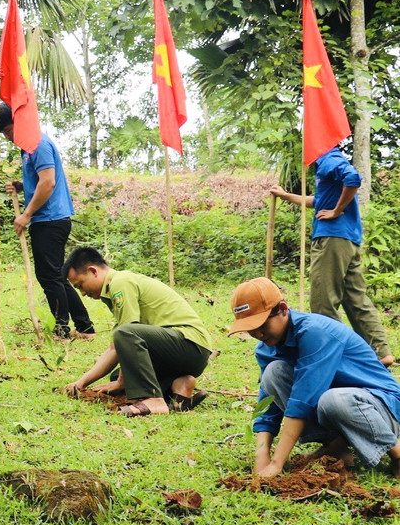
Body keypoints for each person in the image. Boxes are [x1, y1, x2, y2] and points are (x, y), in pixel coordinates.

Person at [229, 277, 400, 479]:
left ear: (283, 309)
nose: (257, 333)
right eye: (250, 328)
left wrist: (277, 463)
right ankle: (336, 448)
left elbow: (303, 400)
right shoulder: (266, 349)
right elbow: (268, 406)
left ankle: (397, 454)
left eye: (261, 324)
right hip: (340, 411)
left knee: (333, 400)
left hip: (381, 408)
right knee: (273, 372)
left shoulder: (315, 332)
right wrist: (262, 458)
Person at [269, 147, 394, 365]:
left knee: (323, 303)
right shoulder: (328, 164)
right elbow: (317, 201)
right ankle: (381, 353)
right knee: (356, 300)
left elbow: (353, 179)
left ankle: (340, 357)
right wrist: (286, 195)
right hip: (348, 240)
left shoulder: (329, 158)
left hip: (332, 239)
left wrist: (337, 211)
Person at [60, 247, 214, 417]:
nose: (82, 293)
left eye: (80, 285)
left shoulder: (120, 283)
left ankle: (153, 400)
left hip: (189, 344)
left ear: (93, 271)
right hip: (185, 353)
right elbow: (117, 348)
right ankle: (178, 384)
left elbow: (126, 335)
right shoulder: (117, 286)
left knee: (125, 343)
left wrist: (117, 382)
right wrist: (83, 382)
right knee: (121, 376)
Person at [0, 102, 95, 341]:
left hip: (50, 219)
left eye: (9, 131)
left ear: (19, 123)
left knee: (49, 277)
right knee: (55, 276)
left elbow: (48, 182)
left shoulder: (38, 144)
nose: (9, 138)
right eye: (5, 135)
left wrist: (26, 214)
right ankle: (84, 327)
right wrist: (22, 187)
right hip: (48, 219)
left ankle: (61, 328)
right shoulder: (28, 146)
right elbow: (39, 181)